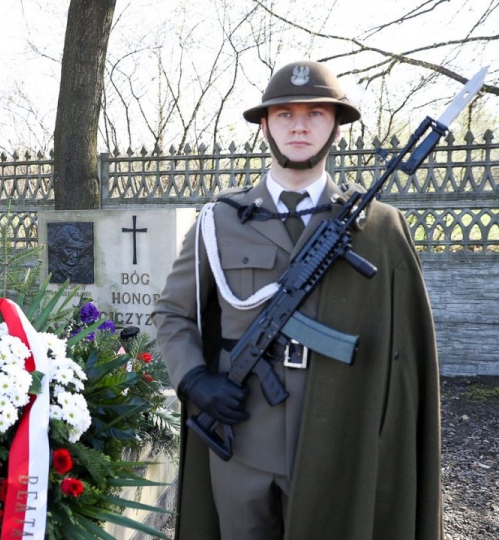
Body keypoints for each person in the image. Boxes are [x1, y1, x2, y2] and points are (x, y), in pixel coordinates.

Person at [152, 60, 442, 539]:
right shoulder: (219, 220)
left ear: (336, 127)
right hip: (241, 437)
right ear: (264, 125)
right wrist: (194, 378)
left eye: (315, 113)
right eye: (285, 114)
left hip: (338, 439)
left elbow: (406, 352)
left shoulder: (378, 227)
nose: (300, 125)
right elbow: (173, 312)